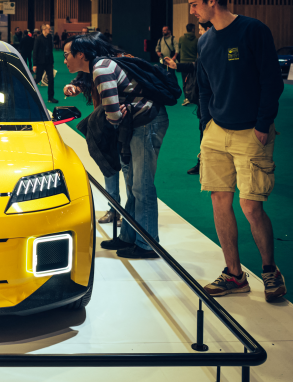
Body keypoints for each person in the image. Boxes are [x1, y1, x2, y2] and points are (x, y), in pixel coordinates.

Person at [182, 0, 285, 302]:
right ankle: (234, 274)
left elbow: (272, 81)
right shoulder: (204, 41)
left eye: (195, 4)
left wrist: (262, 123)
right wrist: (205, 127)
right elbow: (204, 88)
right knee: (219, 200)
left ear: (212, 0)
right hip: (216, 133)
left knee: (251, 206)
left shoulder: (253, 30)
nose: (192, 12)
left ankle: (270, 270)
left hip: (251, 132)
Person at [64, 33, 171, 259]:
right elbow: (114, 111)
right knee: (134, 185)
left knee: (142, 186)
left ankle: (148, 244)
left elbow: (112, 113)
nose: (64, 60)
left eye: (67, 55)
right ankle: (129, 237)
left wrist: (116, 117)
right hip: (138, 123)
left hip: (146, 123)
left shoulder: (101, 69)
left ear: (80, 55)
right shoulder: (99, 66)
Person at [165, 22, 211, 175]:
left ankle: (208, 165)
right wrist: (176, 66)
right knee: (203, 131)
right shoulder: (204, 47)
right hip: (203, 101)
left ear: (208, 29)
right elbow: (195, 65)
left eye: (201, 29)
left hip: (214, 103)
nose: (199, 32)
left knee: (208, 132)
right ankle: (202, 163)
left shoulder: (214, 48)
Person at [33, 24, 57, 103]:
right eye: (49, 29)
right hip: (40, 62)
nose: (50, 30)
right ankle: (30, 92)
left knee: (51, 80)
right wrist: (34, 64)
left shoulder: (50, 37)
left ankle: (50, 97)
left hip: (49, 62)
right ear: (44, 29)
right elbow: (35, 52)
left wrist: (52, 62)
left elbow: (50, 51)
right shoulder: (38, 39)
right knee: (38, 79)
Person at [176, 23, 199, 106]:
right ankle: (193, 96)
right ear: (193, 29)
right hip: (193, 63)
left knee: (184, 81)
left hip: (183, 62)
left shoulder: (181, 39)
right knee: (193, 80)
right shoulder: (197, 39)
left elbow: (179, 49)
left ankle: (186, 97)